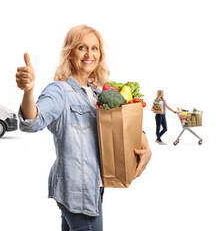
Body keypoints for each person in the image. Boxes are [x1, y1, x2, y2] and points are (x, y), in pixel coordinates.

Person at [15, 25, 151, 230]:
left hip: (94, 187)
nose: (89, 54)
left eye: (94, 48)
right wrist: (28, 91)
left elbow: (121, 125)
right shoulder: (59, 91)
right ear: (69, 54)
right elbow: (33, 121)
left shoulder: (98, 93)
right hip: (77, 192)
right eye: (82, 47)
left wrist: (146, 145)